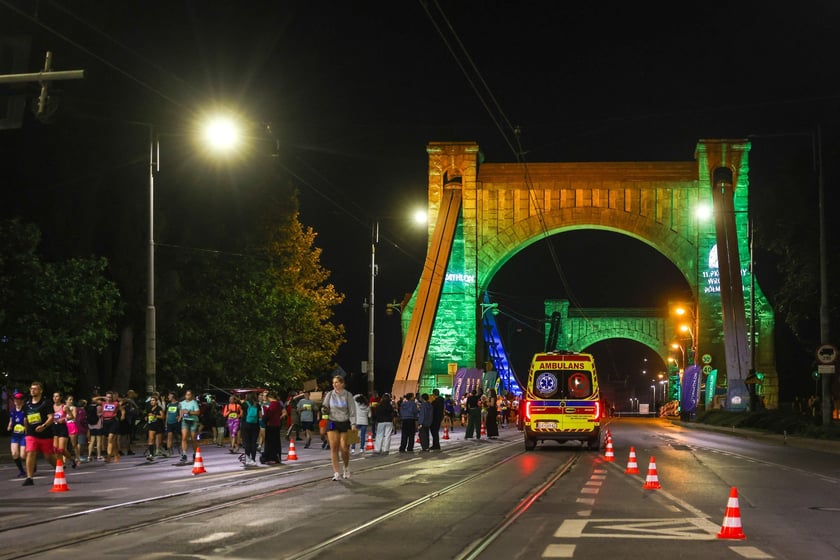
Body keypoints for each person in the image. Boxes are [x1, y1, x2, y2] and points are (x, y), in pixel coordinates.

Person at [22, 381, 56, 486]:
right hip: (31, 434)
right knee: (31, 453)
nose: (32, 390)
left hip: (45, 434)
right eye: (31, 388)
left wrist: (44, 426)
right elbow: (26, 418)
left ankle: (59, 468)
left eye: (35, 389)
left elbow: (51, 417)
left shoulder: (46, 403)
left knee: (48, 456)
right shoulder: (27, 404)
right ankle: (29, 478)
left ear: (40, 391)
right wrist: (26, 431)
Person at [323, 375, 357, 480]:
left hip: (345, 422)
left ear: (342, 383)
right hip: (333, 422)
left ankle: (346, 468)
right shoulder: (329, 394)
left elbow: (352, 411)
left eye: (337, 382)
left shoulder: (348, 395)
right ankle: (336, 473)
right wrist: (324, 411)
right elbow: (324, 407)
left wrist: (353, 424)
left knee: (344, 448)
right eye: (333, 383)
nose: (334, 385)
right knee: (334, 447)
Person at [52, 391, 76, 468]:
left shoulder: (64, 407)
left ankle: (72, 459)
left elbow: (71, 416)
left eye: (57, 396)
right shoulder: (51, 407)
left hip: (62, 428)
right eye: (54, 396)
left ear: (60, 398)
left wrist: (64, 419)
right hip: (54, 428)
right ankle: (61, 464)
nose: (55, 398)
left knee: (61, 449)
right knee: (55, 449)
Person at [261, 391, 286, 465]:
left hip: (271, 425)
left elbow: (269, 413)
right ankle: (277, 457)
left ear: (269, 397)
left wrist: (265, 409)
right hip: (277, 424)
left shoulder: (273, 404)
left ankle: (271, 458)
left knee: (270, 442)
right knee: (276, 442)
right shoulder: (279, 404)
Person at [7, 391, 27, 477]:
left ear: (22, 401)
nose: (16, 401)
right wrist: (9, 426)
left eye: (18, 399)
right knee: (14, 453)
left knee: (23, 455)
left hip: (24, 435)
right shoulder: (12, 410)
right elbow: (11, 421)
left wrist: (26, 429)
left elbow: (27, 422)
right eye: (15, 399)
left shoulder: (25, 410)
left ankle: (32, 463)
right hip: (15, 435)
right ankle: (22, 471)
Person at [178, 389, 201, 463]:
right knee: (184, 437)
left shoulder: (194, 403)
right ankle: (184, 455)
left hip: (193, 421)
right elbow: (181, 412)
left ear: (191, 396)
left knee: (193, 438)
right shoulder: (181, 403)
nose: (188, 396)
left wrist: (190, 412)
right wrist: (179, 417)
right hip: (185, 421)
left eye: (189, 394)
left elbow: (198, 412)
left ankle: (195, 454)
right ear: (185, 395)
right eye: (186, 394)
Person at [240, 392, 261, 466]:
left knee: (247, 442)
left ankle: (247, 459)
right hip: (255, 425)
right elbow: (260, 416)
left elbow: (241, 414)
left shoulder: (244, 404)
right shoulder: (257, 405)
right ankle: (253, 459)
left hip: (246, 425)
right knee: (253, 442)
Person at [144, 395, 165, 460]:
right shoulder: (149, 408)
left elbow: (162, 417)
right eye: (151, 401)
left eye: (153, 400)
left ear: (156, 401)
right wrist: (146, 417)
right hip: (151, 425)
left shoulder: (159, 408)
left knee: (159, 441)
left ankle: (164, 449)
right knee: (151, 439)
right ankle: (151, 454)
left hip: (158, 425)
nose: (152, 402)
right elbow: (147, 415)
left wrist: (155, 415)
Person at [86, 397, 104, 461]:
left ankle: (89, 456)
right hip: (98, 425)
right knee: (98, 441)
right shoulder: (99, 407)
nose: (100, 401)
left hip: (91, 426)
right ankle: (99, 456)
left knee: (92, 441)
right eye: (99, 400)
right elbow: (101, 414)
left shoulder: (88, 407)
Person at [163, 391, 180, 457]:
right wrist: (166, 423)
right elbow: (167, 414)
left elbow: (182, 412)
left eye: (169, 396)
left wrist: (179, 416)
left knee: (179, 437)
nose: (168, 397)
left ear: (173, 397)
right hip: (170, 423)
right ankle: (168, 451)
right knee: (169, 436)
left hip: (176, 423)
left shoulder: (178, 404)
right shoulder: (169, 405)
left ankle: (183, 451)